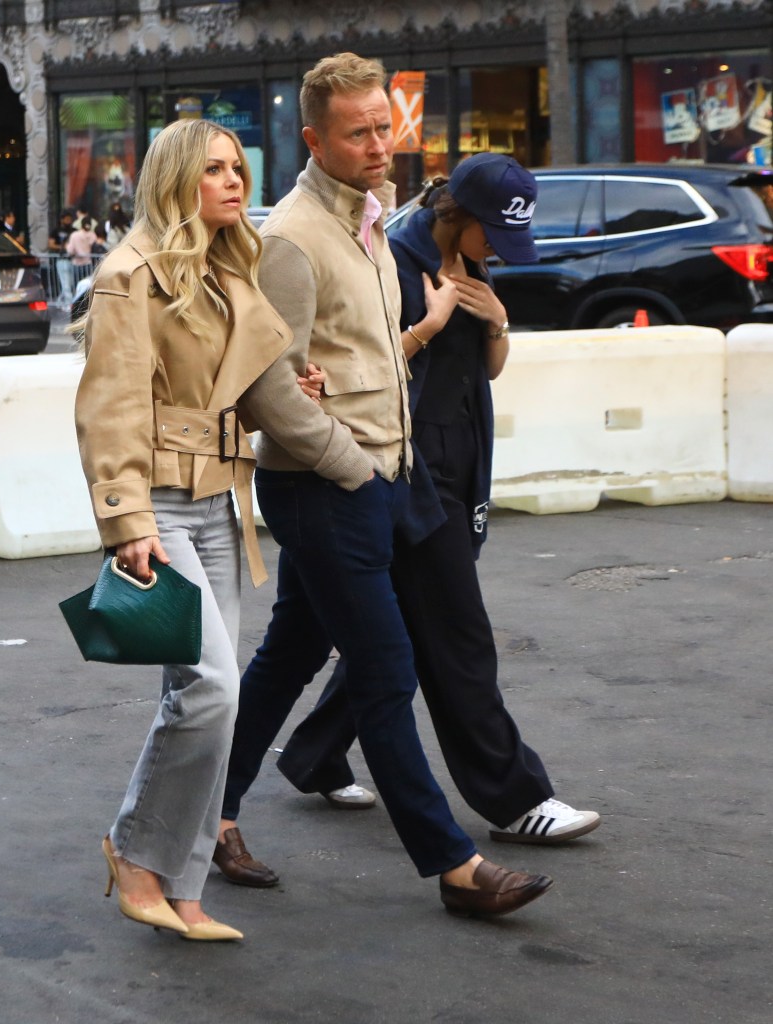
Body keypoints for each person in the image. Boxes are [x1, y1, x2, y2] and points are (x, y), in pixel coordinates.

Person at [214, 53, 553, 918]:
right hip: (330, 488)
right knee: (387, 672)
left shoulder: (365, 222)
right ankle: (453, 866)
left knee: (286, 660)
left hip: (374, 484)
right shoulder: (292, 237)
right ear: (313, 139)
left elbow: (362, 362)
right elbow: (266, 388)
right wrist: (353, 468)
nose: (378, 145)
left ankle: (206, 813)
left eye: (383, 127)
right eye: (358, 131)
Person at [273, 154, 602, 845]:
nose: (500, 253)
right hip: (399, 467)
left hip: (456, 462)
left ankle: (314, 754)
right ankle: (516, 798)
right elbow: (356, 367)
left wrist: (495, 320)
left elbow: (484, 372)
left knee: (378, 634)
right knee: (455, 634)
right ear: (458, 213)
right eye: (494, 236)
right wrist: (433, 318)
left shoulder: (473, 264)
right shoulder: (390, 259)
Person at [73, 117, 295, 941]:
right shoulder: (130, 275)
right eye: (213, 170)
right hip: (160, 506)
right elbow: (109, 407)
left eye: (238, 168)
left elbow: (233, 386)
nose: (233, 182)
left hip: (221, 506)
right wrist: (125, 520)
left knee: (212, 703)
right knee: (210, 688)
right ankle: (132, 851)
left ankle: (185, 886)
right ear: (175, 181)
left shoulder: (229, 270)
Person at [66, 216, 99, 286]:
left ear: (81, 224)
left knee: (77, 286)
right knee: (87, 286)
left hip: (77, 264)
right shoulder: (93, 235)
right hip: (88, 264)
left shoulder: (74, 235)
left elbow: (70, 251)